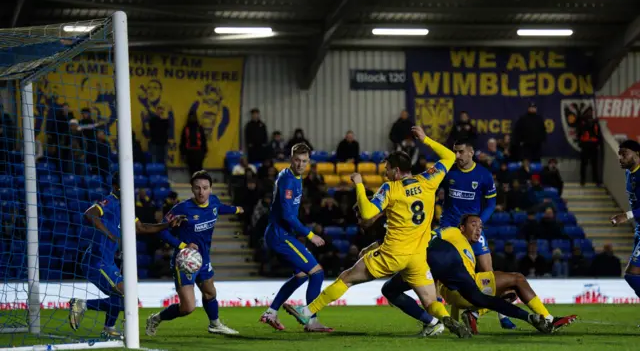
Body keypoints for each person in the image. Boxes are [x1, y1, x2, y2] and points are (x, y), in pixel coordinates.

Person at [283, 127, 472, 338]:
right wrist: (426, 139)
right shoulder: (428, 180)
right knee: (429, 301)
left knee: (346, 278)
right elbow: (448, 156)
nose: (385, 173)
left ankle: (307, 311)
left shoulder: (390, 189)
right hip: (418, 256)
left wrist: (360, 185)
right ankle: (441, 321)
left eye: (388, 169)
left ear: (397, 172)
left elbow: (366, 212)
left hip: (392, 254)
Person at [68, 172, 187, 338]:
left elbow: (142, 228)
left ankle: (109, 328)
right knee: (127, 297)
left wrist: (167, 224)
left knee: (124, 296)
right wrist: (109, 234)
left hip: (106, 261)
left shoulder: (126, 206)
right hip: (96, 261)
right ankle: (82, 304)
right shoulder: (110, 201)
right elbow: (89, 214)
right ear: (116, 186)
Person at [432, 215, 576, 335]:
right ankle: (549, 319)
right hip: (465, 286)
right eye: (473, 225)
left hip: (458, 294)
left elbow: (456, 297)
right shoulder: (454, 232)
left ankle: (474, 315)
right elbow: (434, 235)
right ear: (462, 227)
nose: (478, 230)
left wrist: (454, 323)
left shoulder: (466, 248)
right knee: (518, 279)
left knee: (510, 293)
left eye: (480, 227)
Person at [145, 171, 244, 336]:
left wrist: (237, 209)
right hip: (184, 261)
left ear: (211, 189)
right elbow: (161, 231)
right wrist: (183, 245)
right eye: (197, 188)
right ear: (192, 189)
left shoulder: (213, 202)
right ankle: (156, 318)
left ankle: (215, 324)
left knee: (210, 292)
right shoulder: (182, 208)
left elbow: (220, 208)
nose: (201, 192)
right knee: (188, 307)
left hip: (203, 258)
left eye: (205, 188)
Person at [435, 139, 514, 329]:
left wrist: (479, 223)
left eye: (461, 151)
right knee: (437, 270)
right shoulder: (449, 172)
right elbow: (432, 191)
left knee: (488, 272)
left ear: (471, 152)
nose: (457, 156)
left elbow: (492, 203)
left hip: (472, 228)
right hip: (449, 228)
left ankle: (502, 315)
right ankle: (438, 318)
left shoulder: (484, 175)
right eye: (455, 152)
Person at [259, 143, 330, 332]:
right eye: (297, 160)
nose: (300, 164)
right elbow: (287, 216)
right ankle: (311, 320)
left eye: (304, 161)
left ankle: (271, 312)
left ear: (309, 161)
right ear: (291, 159)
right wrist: (310, 234)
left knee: (300, 276)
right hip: (279, 235)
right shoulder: (289, 180)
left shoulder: (294, 177)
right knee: (317, 272)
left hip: (281, 234)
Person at [610, 140, 640, 301]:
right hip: (639, 228)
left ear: (637, 154)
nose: (620, 158)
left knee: (632, 275)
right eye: (619, 154)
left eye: (625, 154)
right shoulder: (629, 173)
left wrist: (626, 215)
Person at [576, 109, 602, 186]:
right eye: (588, 113)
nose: (590, 114)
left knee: (594, 164)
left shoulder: (596, 123)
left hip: (593, 146)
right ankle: (582, 180)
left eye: (591, 113)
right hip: (585, 146)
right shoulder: (582, 123)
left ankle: (596, 180)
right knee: (584, 164)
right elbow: (579, 133)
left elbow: (598, 135)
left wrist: (598, 144)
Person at [180, 112, 208, 176]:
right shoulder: (186, 128)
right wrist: (183, 153)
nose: (192, 118)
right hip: (189, 152)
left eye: (193, 117)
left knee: (199, 170)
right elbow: (183, 141)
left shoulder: (199, 128)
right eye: (191, 117)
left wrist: (204, 151)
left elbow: (203, 140)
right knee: (191, 170)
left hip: (198, 152)